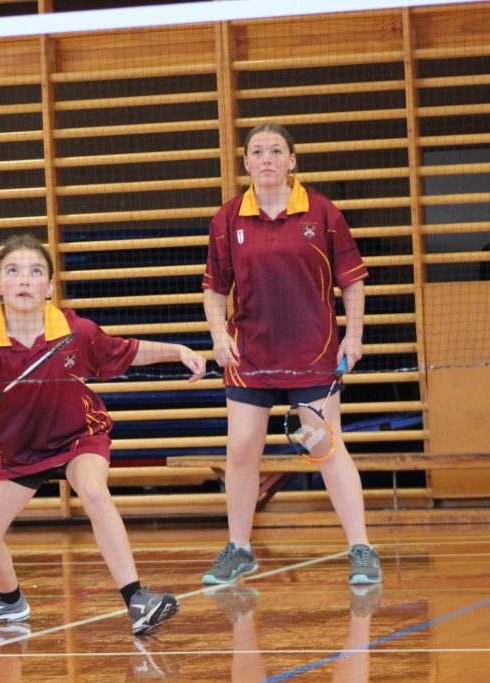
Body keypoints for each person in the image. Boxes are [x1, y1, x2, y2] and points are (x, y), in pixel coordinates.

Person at [0, 234, 207, 635]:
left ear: (50, 286)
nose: (24, 280)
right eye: (13, 272)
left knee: (93, 491)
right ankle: (9, 600)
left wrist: (177, 351)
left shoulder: (73, 330)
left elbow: (124, 351)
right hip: (22, 449)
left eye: (36, 272)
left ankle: (137, 598)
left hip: (78, 435)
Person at [201, 122, 381, 586]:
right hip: (250, 353)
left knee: (323, 445)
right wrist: (219, 335)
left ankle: (361, 548)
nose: (266, 159)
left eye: (275, 151)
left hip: (314, 347)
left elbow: (352, 280)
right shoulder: (227, 219)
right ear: (245, 162)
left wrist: (354, 336)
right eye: (257, 152)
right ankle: (239, 549)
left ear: (291, 160)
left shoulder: (321, 212)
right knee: (241, 449)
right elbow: (215, 289)